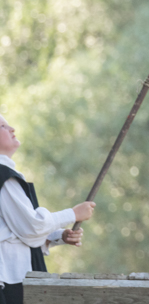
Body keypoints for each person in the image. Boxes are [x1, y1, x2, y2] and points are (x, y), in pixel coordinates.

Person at [0, 114, 95, 304]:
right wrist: (73, 214)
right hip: (8, 286)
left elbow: (14, 233)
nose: (12, 129)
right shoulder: (3, 176)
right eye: (2, 126)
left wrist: (58, 236)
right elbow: (31, 228)